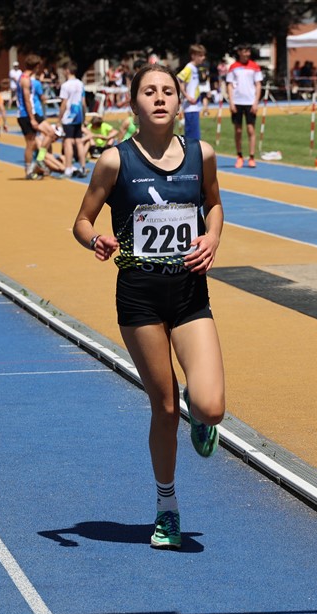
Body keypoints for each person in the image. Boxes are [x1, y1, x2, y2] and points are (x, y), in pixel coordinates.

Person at [71, 63, 226, 550]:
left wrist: (212, 237)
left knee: (210, 407)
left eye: (167, 91)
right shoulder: (114, 161)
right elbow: (81, 220)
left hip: (189, 292)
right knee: (164, 407)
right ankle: (167, 508)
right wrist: (95, 240)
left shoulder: (201, 155)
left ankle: (201, 417)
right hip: (139, 297)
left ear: (179, 102)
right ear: (133, 103)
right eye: (149, 91)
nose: (159, 98)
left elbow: (214, 205)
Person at [16, 55, 57, 179]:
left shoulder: (27, 78)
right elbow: (27, 100)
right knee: (30, 143)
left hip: (33, 113)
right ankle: (29, 171)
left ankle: (40, 159)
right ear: (36, 66)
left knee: (51, 133)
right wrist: (32, 119)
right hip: (27, 114)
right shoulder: (25, 80)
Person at [226, 45, 263, 168]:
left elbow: (258, 85)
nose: (247, 54)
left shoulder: (255, 66)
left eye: (248, 52)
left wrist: (256, 102)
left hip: (250, 102)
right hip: (237, 101)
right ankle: (239, 156)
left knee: (251, 129)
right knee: (238, 130)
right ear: (239, 52)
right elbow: (229, 85)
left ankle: (252, 157)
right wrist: (231, 102)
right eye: (245, 52)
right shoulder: (233, 67)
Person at [58, 61, 88, 177]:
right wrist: (84, 117)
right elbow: (83, 103)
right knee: (79, 141)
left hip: (69, 117)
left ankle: (68, 168)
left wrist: (59, 119)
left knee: (68, 142)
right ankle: (83, 167)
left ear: (67, 71)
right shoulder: (80, 84)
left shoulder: (65, 86)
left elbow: (63, 104)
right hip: (78, 116)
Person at [177, 44, 207, 141]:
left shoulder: (195, 68)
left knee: (195, 137)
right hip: (190, 108)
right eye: (200, 55)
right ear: (193, 56)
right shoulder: (189, 67)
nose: (203, 58)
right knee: (192, 138)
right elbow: (178, 79)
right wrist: (187, 96)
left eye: (203, 55)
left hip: (195, 107)